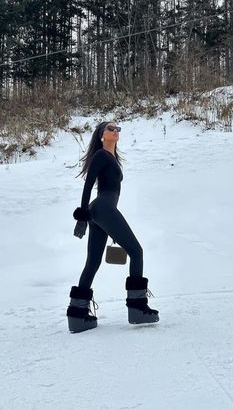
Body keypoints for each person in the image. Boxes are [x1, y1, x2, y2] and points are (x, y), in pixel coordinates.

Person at [67, 121, 159, 333]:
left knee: (93, 262)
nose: (115, 131)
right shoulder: (101, 155)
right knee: (136, 252)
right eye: (110, 128)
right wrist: (82, 216)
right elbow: (88, 184)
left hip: (101, 211)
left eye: (118, 129)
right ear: (101, 136)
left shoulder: (111, 158)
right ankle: (137, 308)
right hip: (102, 208)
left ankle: (77, 316)